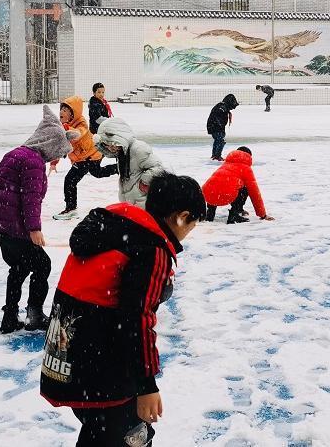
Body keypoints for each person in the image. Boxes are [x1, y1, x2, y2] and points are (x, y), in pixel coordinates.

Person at [40, 172, 206, 447]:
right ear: (181, 216)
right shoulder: (150, 249)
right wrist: (146, 386)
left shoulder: (113, 228)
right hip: (106, 371)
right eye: (192, 223)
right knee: (130, 438)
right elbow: (136, 320)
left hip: (71, 362)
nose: (189, 232)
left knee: (100, 434)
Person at [0, 105, 80, 333]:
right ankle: (34, 315)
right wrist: (34, 229)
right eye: (57, 151)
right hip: (10, 223)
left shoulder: (16, 153)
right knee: (42, 264)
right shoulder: (33, 161)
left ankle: (10, 317)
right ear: (49, 144)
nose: (56, 157)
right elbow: (30, 199)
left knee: (20, 266)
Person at [53, 96, 119, 220]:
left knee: (70, 180)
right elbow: (59, 146)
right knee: (97, 173)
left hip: (89, 156)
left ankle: (71, 209)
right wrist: (53, 162)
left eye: (66, 110)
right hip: (87, 156)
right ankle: (119, 168)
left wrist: (66, 129)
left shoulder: (81, 123)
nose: (61, 112)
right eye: (61, 109)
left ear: (73, 113)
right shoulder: (63, 125)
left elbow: (78, 134)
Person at [93, 117, 166, 209]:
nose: (111, 148)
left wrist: (143, 183)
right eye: (107, 146)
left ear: (121, 137)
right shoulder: (122, 152)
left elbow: (158, 168)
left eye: (112, 144)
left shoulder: (138, 149)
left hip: (144, 202)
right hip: (131, 201)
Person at [202, 146, 275, 224]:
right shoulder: (245, 169)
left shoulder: (226, 164)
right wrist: (263, 215)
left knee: (216, 185)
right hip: (226, 196)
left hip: (207, 195)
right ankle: (234, 214)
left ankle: (210, 214)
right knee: (245, 189)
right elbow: (254, 193)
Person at [206, 93, 239, 161]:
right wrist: (221, 126)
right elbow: (218, 117)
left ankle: (214, 155)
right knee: (220, 140)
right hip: (215, 126)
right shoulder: (222, 107)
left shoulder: (223, 106)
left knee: (217, 140)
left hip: (213, 126)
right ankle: (217, 156)